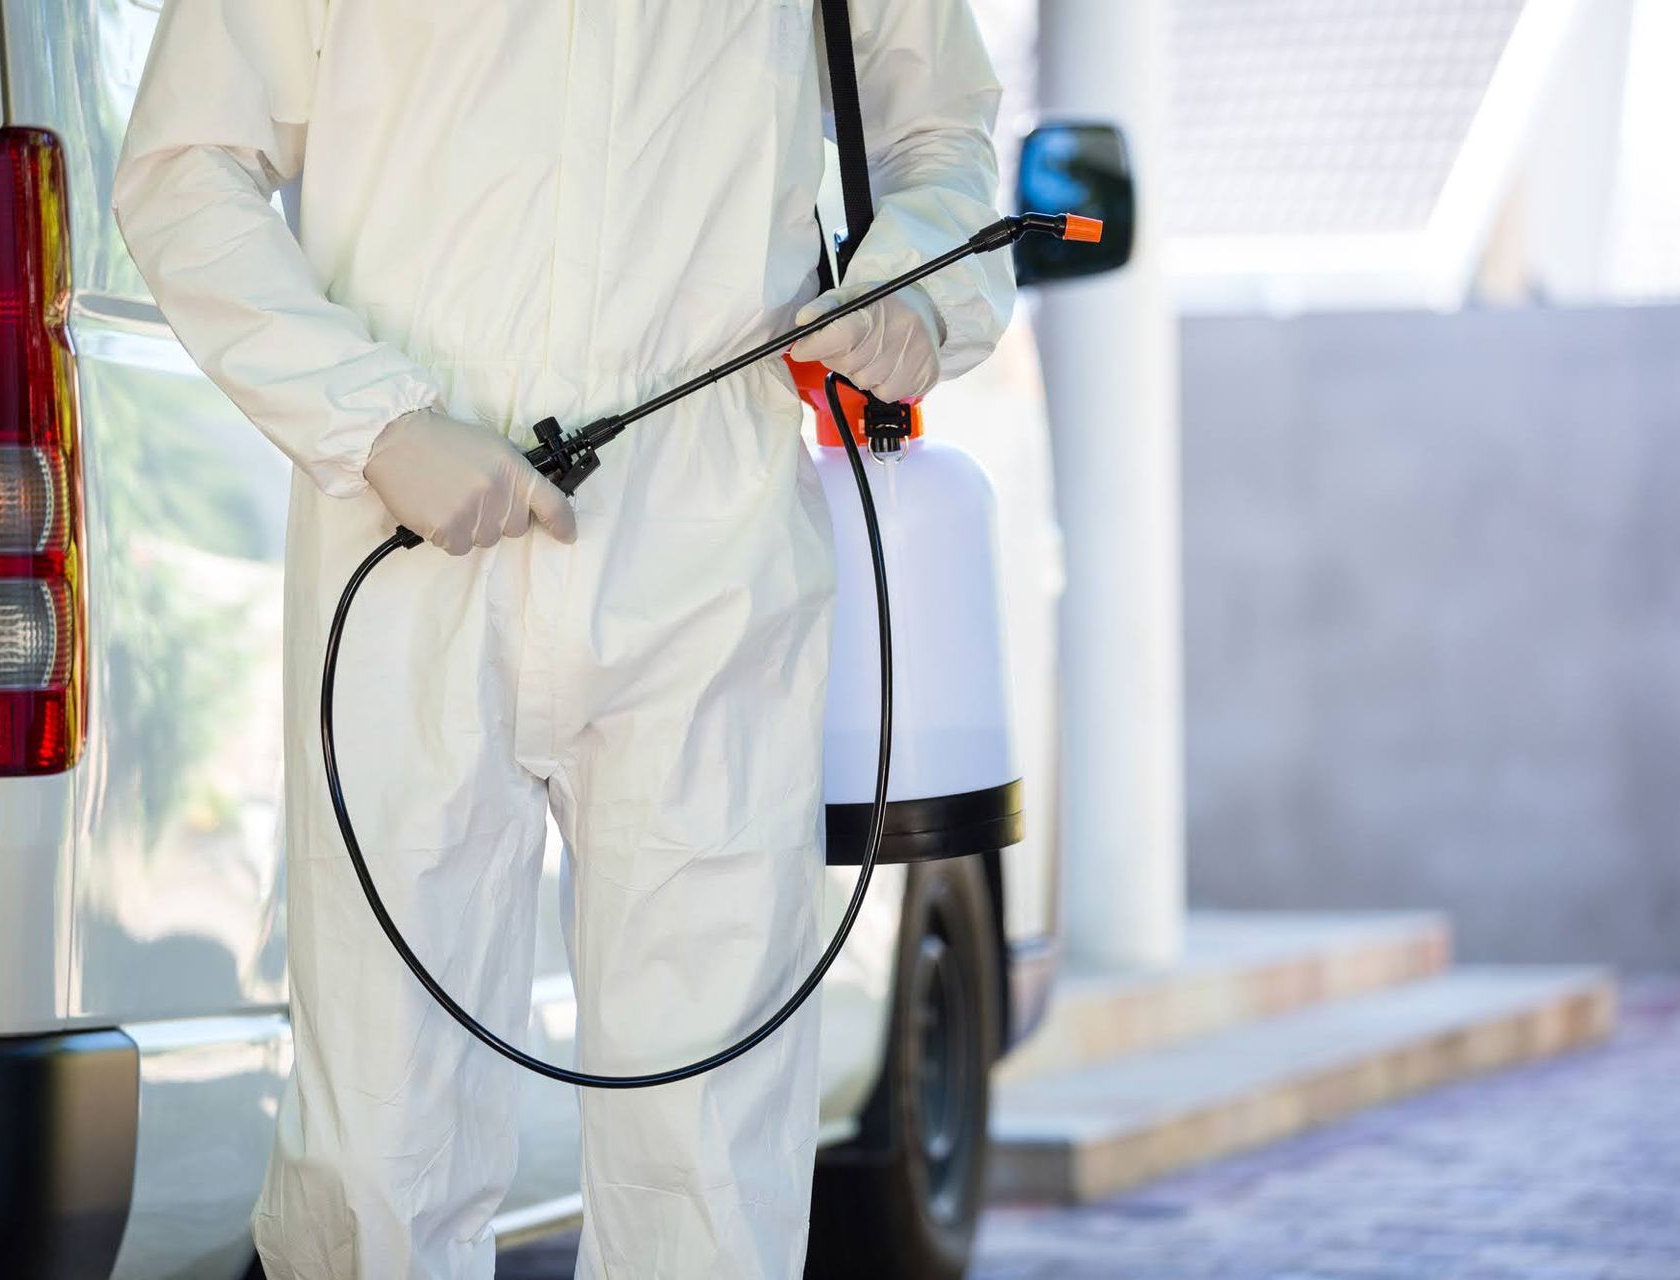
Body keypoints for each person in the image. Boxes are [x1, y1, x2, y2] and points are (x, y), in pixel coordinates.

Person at [113, 2, 1012, 1276]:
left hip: (707, 563)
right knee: (378, 1163)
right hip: (410, 551)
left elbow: (942, 134)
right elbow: (182, 167)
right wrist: (372, 423)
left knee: (708, 1167)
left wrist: (916, 293)